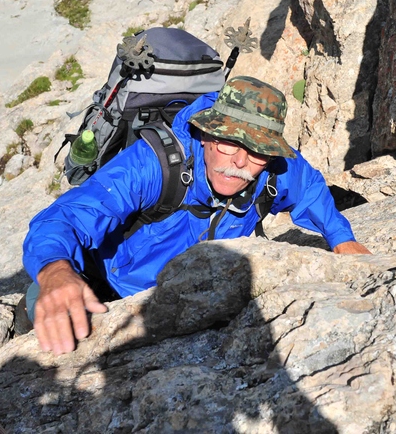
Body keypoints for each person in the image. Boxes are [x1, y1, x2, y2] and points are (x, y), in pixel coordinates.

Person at [22, 76, 371, 354]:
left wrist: (342, 238)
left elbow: (309, 187)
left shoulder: (271, 167)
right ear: (205, 134)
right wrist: (55, 271)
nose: (239, 162)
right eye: (228, 142)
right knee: (46, 316)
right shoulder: (154, 164)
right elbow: (67, 216)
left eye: (257, 151)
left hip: (189, 301)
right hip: (108, 287)